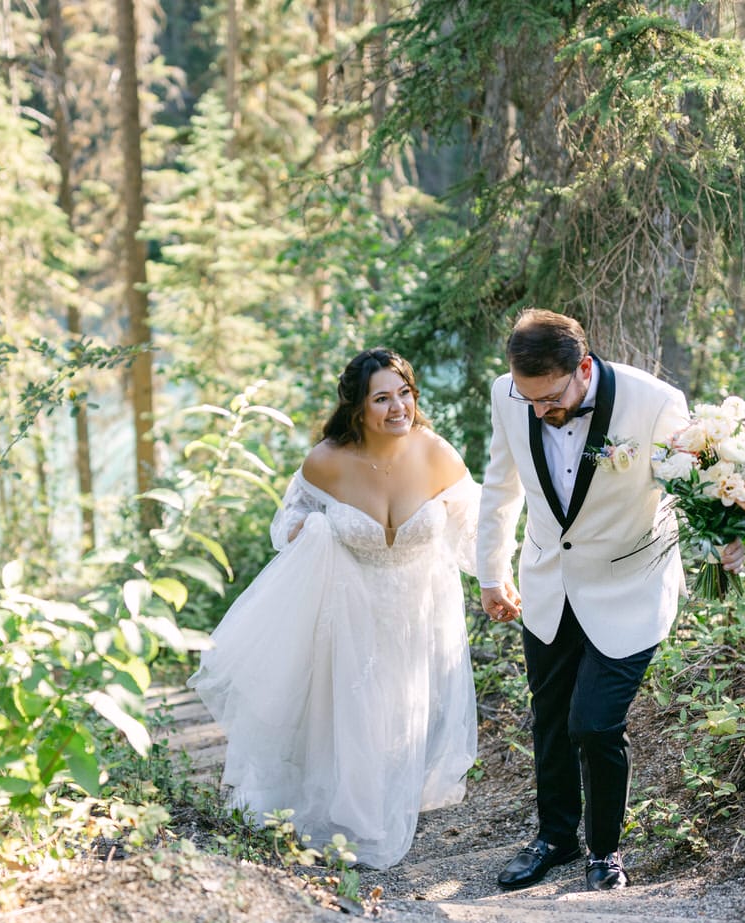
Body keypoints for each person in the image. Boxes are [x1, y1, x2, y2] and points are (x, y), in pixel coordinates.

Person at [190, 348, 482, 869]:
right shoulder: (325, 461)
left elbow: (477, 525)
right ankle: (360, 830)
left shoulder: (436, 453)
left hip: (415, 612)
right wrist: (314, 531)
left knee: (401, 716)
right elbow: (288, 522)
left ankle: (379, 811)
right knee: (354, 714)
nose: (399, 408)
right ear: (357, 408)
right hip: (348, 610)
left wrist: (498, 582)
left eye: (405, 393)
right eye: (382, 398)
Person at [476, 308, 695, 892]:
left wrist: (728, 536)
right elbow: (500, 485)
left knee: (594, 725)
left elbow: (691, 486)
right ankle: (555, 837)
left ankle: (606, 851)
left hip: (630, 584)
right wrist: (491, 572)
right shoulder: (508, 396)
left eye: (549, 398)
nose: (540, 411)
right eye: (529, 400)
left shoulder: (655, 402)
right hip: (549, 581)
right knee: (548, 718)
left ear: (584, 368)